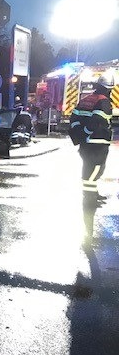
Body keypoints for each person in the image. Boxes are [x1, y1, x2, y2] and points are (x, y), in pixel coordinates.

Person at [68, 75, 113, 240]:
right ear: (108, 88)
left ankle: (92, 194)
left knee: (89, 170)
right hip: (98, 144)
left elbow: (74, 119)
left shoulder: (86, 99)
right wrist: (86, 133)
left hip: (86, 145)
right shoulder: (103, 101)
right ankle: (90, 199)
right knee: (95, 172)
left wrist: (79, 135)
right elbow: (97, 121)